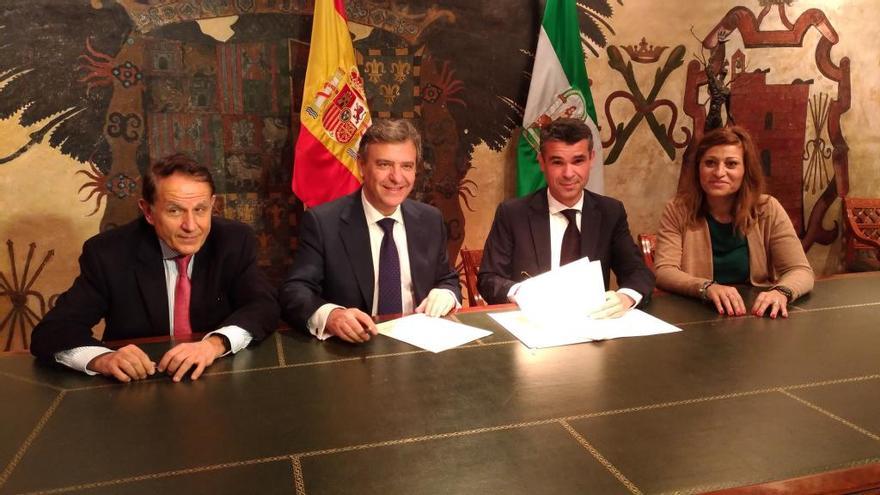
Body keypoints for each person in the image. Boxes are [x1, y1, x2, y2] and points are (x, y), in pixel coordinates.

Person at [30, 154, 279, 382]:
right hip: (140, 387)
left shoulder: (233, 241)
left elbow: (263, 306)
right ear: (148, 211)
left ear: (212, 205)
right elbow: (52, 332)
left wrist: (213, 344)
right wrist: (103, 359)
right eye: (174, 211)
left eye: (200, 210)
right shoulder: (109, 253)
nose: (191, 226)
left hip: (217, 380)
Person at [279, 118, 461, 343]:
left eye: (407, 166)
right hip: (354, 351)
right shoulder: (324, 222)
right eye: (384, 165)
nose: (397, 177)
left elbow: (447, 278)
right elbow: (295, 291)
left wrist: (447, 293)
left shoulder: (429, 219)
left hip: (421, 346)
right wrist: (332, 316)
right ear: (362, 165)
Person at [478, 118, 655, 317]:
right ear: (542, 162)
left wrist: (625, 298)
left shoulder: (610, 212)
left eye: (578, 161)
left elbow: (638, 273)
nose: (568, 173)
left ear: (591, 159)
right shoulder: (512, 213)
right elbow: (489, 279)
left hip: (594, 327)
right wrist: (521, 293)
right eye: (557, 162)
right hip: (533, 328)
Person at [654, 126, 814, 318]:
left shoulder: (767, 208)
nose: (719, 172)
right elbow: (664, 271)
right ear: (698, 169)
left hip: (754, 312)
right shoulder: (678, 209)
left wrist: (782, 291)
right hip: (695, 310)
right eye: (710, 163)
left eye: (731, 164)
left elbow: (800, 270)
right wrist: (706, 287)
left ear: (746, 170)